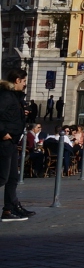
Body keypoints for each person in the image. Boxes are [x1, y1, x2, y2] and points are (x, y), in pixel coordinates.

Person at [0, 68, 34, 220]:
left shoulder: (15, 97)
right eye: (24, 81)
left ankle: (10, 208)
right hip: (4, 141)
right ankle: (10, 207)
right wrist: (3, 133)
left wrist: (23, 112)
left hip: (13, 140)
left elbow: (10, 115)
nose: (25, 84)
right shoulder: (6, 96)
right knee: (2, 177)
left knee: (13, 177)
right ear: (17, 80)